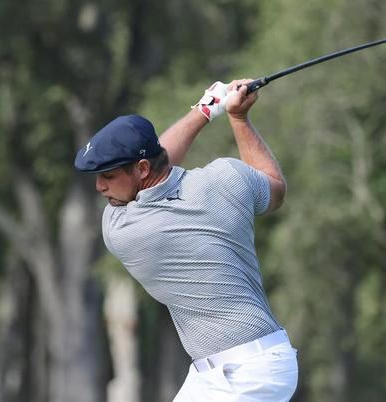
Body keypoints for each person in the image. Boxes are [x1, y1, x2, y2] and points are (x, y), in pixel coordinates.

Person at [74, 79, 298, 401]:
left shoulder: (123, 229)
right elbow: (274, 187)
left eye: (108, 176)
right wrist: (238, 119)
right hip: (228, 369)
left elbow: (159, 165)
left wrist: (207, 110)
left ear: (140, 168)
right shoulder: (227, 178)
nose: (100, 187)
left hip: (249, 373)